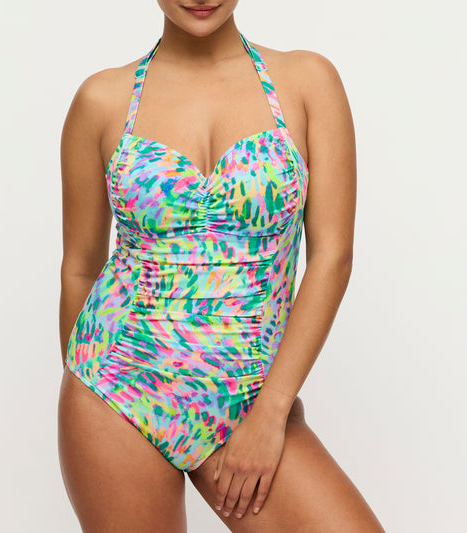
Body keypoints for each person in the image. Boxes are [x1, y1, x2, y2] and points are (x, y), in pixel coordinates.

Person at [57, 1, 385, 531]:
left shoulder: (306, 82)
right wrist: (89, 390)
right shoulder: (102, 100)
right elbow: (78, 268)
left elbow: (333, 257)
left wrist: (272, 407)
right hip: (116, 389)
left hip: (251, 398)